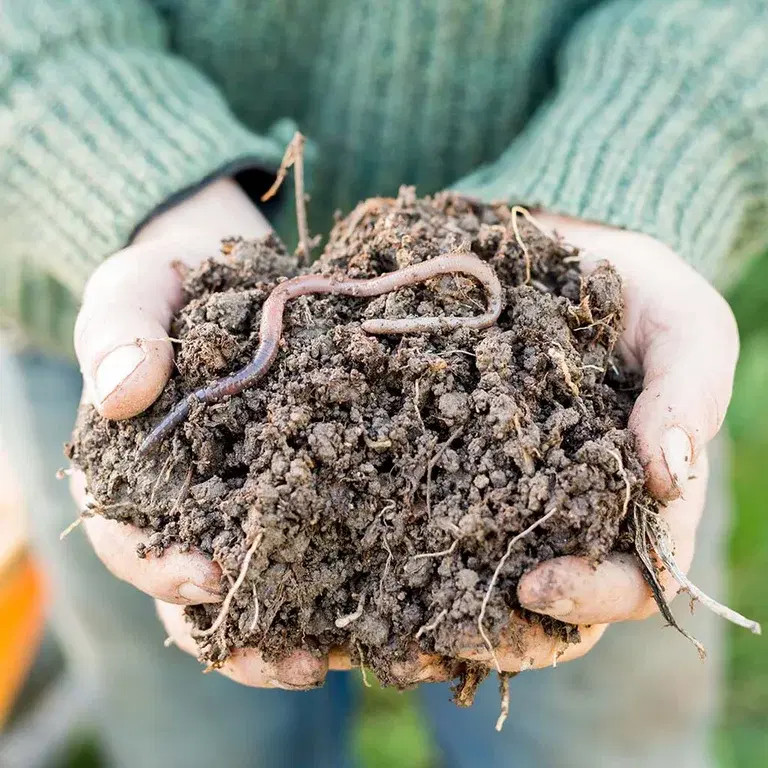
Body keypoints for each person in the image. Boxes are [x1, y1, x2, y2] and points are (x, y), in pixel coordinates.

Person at [1, 1, 765, 766]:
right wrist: (134, 181)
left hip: (563, 334)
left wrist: (655, 162)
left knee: (589, 719)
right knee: (202, 720)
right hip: (127, 301)